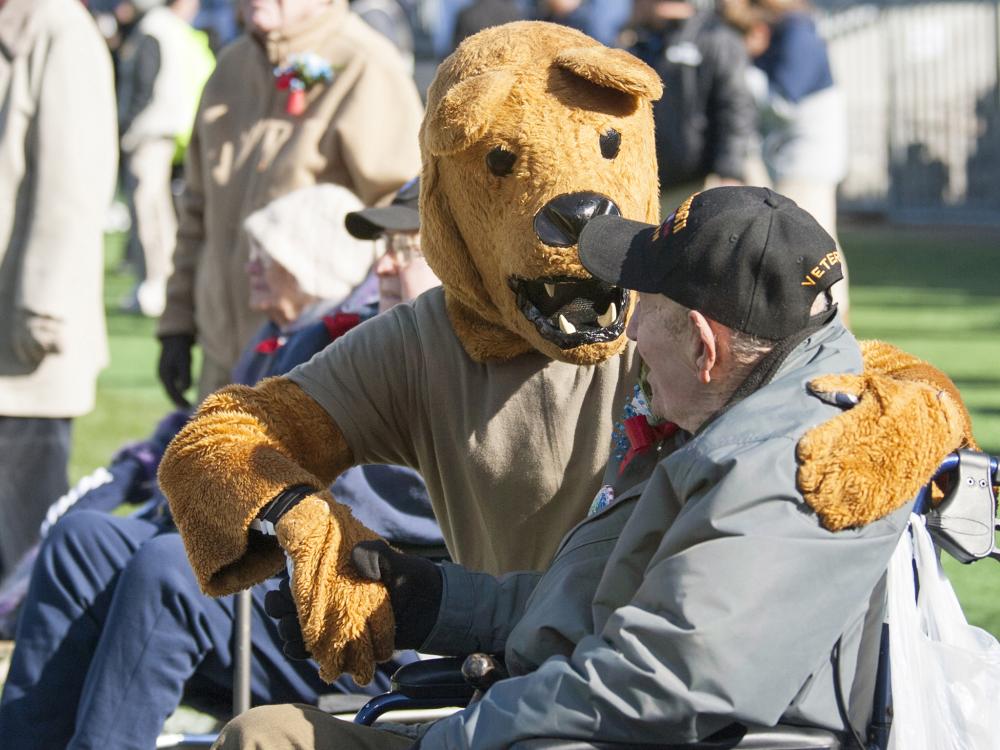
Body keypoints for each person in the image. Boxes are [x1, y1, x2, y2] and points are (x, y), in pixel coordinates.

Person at [216, 187, 915, 749]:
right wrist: (428, 603)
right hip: (552, 715)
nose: (629, 331)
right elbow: (600, 605)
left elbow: (661, 681)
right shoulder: (721, 420)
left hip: (580, 728)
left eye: (647, 312)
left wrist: (456, 738)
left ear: (704, 346)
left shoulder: (798, 472)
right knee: (266, 733)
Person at [0, 182, 444, 750]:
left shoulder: (459, 371)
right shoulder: (348, 338)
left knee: (171, 568)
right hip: (278, 583)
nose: (381, 265)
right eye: (384, 244)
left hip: (370, 627)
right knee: (81, 540)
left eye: (407, 250)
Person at [156, 0, 423, 408]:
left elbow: (408, 220)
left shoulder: (365, 65)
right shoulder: (231, 66)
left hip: (317, 363)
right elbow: (197, 207)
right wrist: (177, 322)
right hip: (222, 357)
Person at [0, 0, 118, 582]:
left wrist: (40, 306)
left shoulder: (61, 32)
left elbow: (71, 182)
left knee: (17, 513)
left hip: (24, 322)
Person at [723, 0, 851, 322]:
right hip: (787, 154)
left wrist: (737, 66)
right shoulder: (787, 28)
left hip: (809, 157)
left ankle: (831, 319)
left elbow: (783, 101)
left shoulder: (798, 30)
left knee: (816, 241)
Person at [116, 0, 214, 317]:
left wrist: (126, 126)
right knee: (157, 211)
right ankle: (155, 283)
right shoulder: (173, 29)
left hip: (150, 132)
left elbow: (144, 85)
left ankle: (154, 285)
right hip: (165, 130)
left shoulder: (153, 28)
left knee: (148, 212)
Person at [624, 0, 757, 217]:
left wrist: (730, 172)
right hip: (646, 180)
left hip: (698, 180)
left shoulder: (717, 39)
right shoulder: (636, 40)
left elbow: (736, 109)